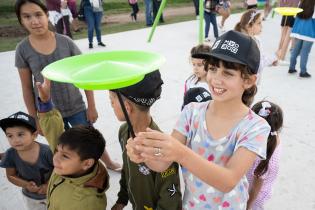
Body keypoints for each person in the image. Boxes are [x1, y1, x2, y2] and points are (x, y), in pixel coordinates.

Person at [126, 31, 271, 210]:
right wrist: (144, 153)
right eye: (212, 69)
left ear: (248, 81)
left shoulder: (255, 127)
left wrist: (180, 153)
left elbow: (228, 180)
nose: (216, 79)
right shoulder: (191, 112)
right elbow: (163, 162)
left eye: (228, 73)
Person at [14, 0, 120, 171]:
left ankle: (108, 163)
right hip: (47, 113)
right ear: (21, 21)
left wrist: (91, 106)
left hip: (75, 106)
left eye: (38, 14)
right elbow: (27, 88)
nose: (34, 21)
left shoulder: (65, 42)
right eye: (27, 17)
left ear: (47, 15)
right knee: (60, 148)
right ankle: (73, 175)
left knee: (89, 139)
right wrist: (35, 119)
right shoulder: (22, 49)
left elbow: (85, 75)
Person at [110, 70, 182, 210]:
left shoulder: (162, 150)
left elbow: (170, 200)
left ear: (127, 107)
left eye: (112, 101)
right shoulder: (124, 132)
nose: (111, 105)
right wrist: (122, 199)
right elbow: (127, 169)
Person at [36, 78, 109, 210]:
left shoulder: (88, 204)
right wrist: (46, 103)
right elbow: (54, 128)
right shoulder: (69, 161)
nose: (55, 157)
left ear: (87, 163)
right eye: (57, 151)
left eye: (64, 156)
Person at [0, 112, 54, 210]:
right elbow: (11, 175)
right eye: (10, 136)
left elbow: (58, 170)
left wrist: (48, 184)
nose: (15, 140)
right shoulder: (10, 155)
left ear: (34, 135)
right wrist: (26, 184)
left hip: (54, 192)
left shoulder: (47, 151)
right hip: (31, 197)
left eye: (20, 134)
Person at [246, 101, 283, 210]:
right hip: (263, 188)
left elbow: (255, 189)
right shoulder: (274, 137)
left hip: (253, 195)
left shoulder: (261, 155)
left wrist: (248, 206)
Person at [234, 9, 278, 83]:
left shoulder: (256, 39)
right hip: (244, 82)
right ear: (249, 26)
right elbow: (257, 63)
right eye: (259, 23)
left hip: (253, 81)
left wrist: (272, 60)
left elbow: (261, 56)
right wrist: (271, 59)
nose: (262, 26)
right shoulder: (244, 43)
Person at [288, 0, 315, 78]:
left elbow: (295, 16)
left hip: (298, 31)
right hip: (309, 32)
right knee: (305, 52)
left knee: (295, 50)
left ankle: (291, 68)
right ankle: (303, 72)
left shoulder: (301, 2)